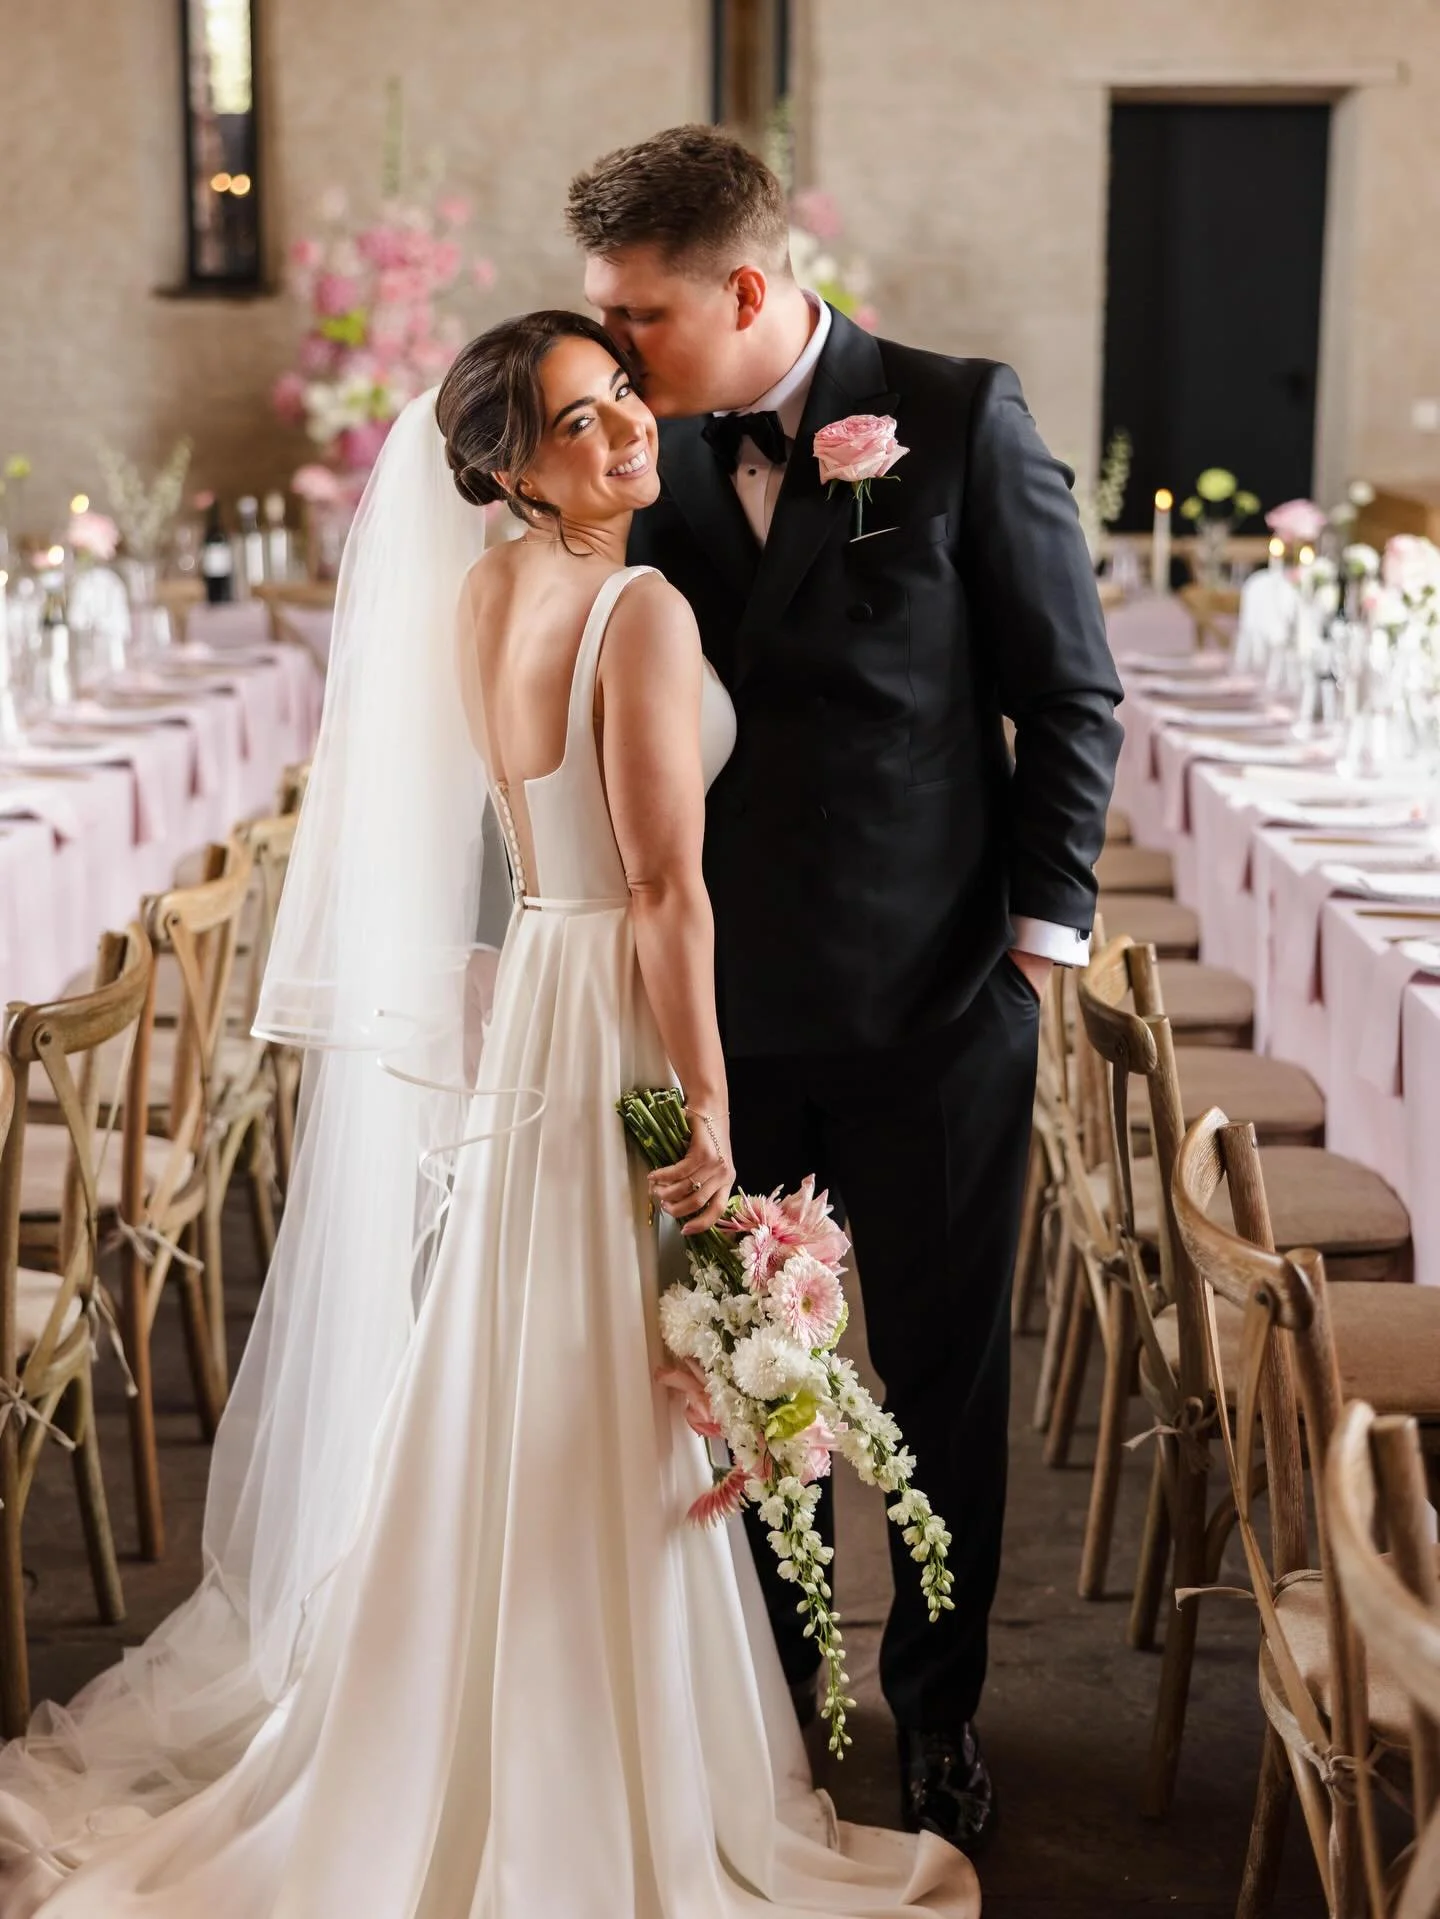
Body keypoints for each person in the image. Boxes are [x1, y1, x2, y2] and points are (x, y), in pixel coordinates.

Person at [0, 313, 978, 1917]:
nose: (625, 439)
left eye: (624, 403)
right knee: (594, 1371)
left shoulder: (482, 590)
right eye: (580, 426)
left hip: (535, 982)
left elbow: (520, 836)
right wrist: (709, 1111)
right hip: (608, 1011)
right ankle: (598, 1770)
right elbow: (667, 889)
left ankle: (447, 1728)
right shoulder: (643, 608)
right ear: (504, 467)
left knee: (525, 1361)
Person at [567, 124, 1124, 1855]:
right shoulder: (629, 458)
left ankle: (940, 1716)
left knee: (943, 1375)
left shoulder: (958, 419)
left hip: (938, 1009)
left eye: (639, 317)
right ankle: (787, 1713)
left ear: (746, 290)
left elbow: (1073, 698)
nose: (611, 354)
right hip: (714, 1025)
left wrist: (1033, 954)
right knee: (738, 1387)